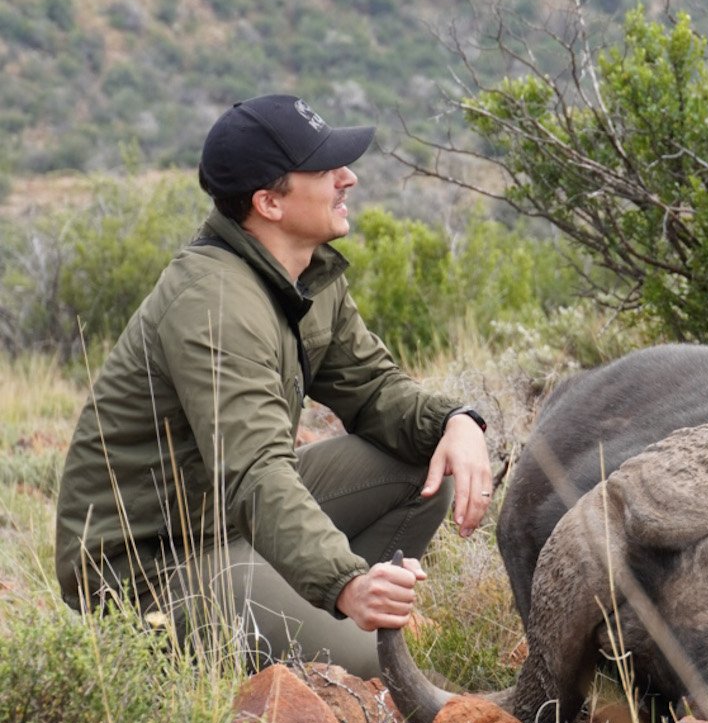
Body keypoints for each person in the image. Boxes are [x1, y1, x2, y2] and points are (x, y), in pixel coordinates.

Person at [56, 93, 494, 677]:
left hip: (230, 523)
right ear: (269, 202)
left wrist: (455, 421)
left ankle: (353, 608)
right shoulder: (213, 303)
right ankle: (347, 621)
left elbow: (375, 390)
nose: (350, 178)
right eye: (326, 169)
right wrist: (344, 581)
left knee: (426, 463)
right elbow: (256, 471)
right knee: (387, 677)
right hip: (154, 565)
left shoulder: (306, 275)